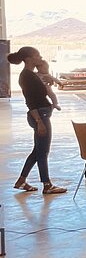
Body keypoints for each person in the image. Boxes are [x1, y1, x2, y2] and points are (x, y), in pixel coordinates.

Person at [8, 46, 66, 193]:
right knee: (43, 152)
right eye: (37, 55)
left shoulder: (32, 75)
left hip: (43, 114)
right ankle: (47, 185)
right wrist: (39, 122)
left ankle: (21, 181)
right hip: (40, 116)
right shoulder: (26, 76)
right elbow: (30, 101)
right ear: (28, 58)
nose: (40, 58)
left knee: (37, 151)